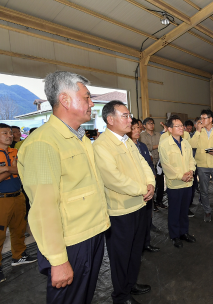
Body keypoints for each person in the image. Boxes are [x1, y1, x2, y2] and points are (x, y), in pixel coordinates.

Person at [18, 71, 110, 303]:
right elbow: (43, 209)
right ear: (65, 100)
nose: (92, 103)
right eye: (87, 97)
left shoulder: (80, 138)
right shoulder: (43, 144)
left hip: (92, 232)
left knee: (84, 296)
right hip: (71, 243)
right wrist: (58, 260)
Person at [93, 101, 155, 304]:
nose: (131, 120)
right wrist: (142, 189)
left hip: (139, 205)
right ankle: (120, 296)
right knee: (121, 256)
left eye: (130, 116)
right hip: (120, 211)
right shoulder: (102, 146)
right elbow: (113, 178)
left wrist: (151, 184)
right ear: (110, 120)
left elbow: (144, 165)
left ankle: (130, 284)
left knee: (135, 251)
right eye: (125, 116)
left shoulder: (127, 141)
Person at [0, 123, 36, 285]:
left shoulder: (16, 151)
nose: (10, 136)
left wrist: (4, 168)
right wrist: (13, 168)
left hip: (18, 196)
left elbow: (26, 169)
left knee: (19, 228)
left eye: (10, 133)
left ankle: (19, 255)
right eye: (5, 133)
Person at [159, 115, 196, 248]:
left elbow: (192, 159)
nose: (182, 128)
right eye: (178, 126)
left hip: (188, 182)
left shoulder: (186, 142)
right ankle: (175, 236)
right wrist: (181, 176)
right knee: (174, 211)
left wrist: (191, 171)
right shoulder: (164, 144)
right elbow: (166, 165)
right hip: (175, 184)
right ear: (169, 129)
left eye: (182, 126)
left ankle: (184, 233)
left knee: (184, 210)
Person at [129, 118, 160, 251]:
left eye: (138, 128)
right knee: (136, 221)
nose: (137, 131)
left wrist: (152, 177)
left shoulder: (142, 146)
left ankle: (146, 243)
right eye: (133, 128)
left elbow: (148, 163)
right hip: (135, 189)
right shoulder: (126, 146)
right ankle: (136, 248)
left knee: (147, 217)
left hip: (147, 187)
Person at [140, 118, 167, 210]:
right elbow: (147, 148)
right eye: (149, 123)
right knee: (151, 184)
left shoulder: (158, 135)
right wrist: (159, 146)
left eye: (152, 123)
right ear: (144, 125)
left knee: (161, 184)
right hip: (149, 163)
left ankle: (159, 201)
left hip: (159, 162)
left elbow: (163, 146)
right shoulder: (142, 135)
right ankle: (152, 204)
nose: (151, 125)